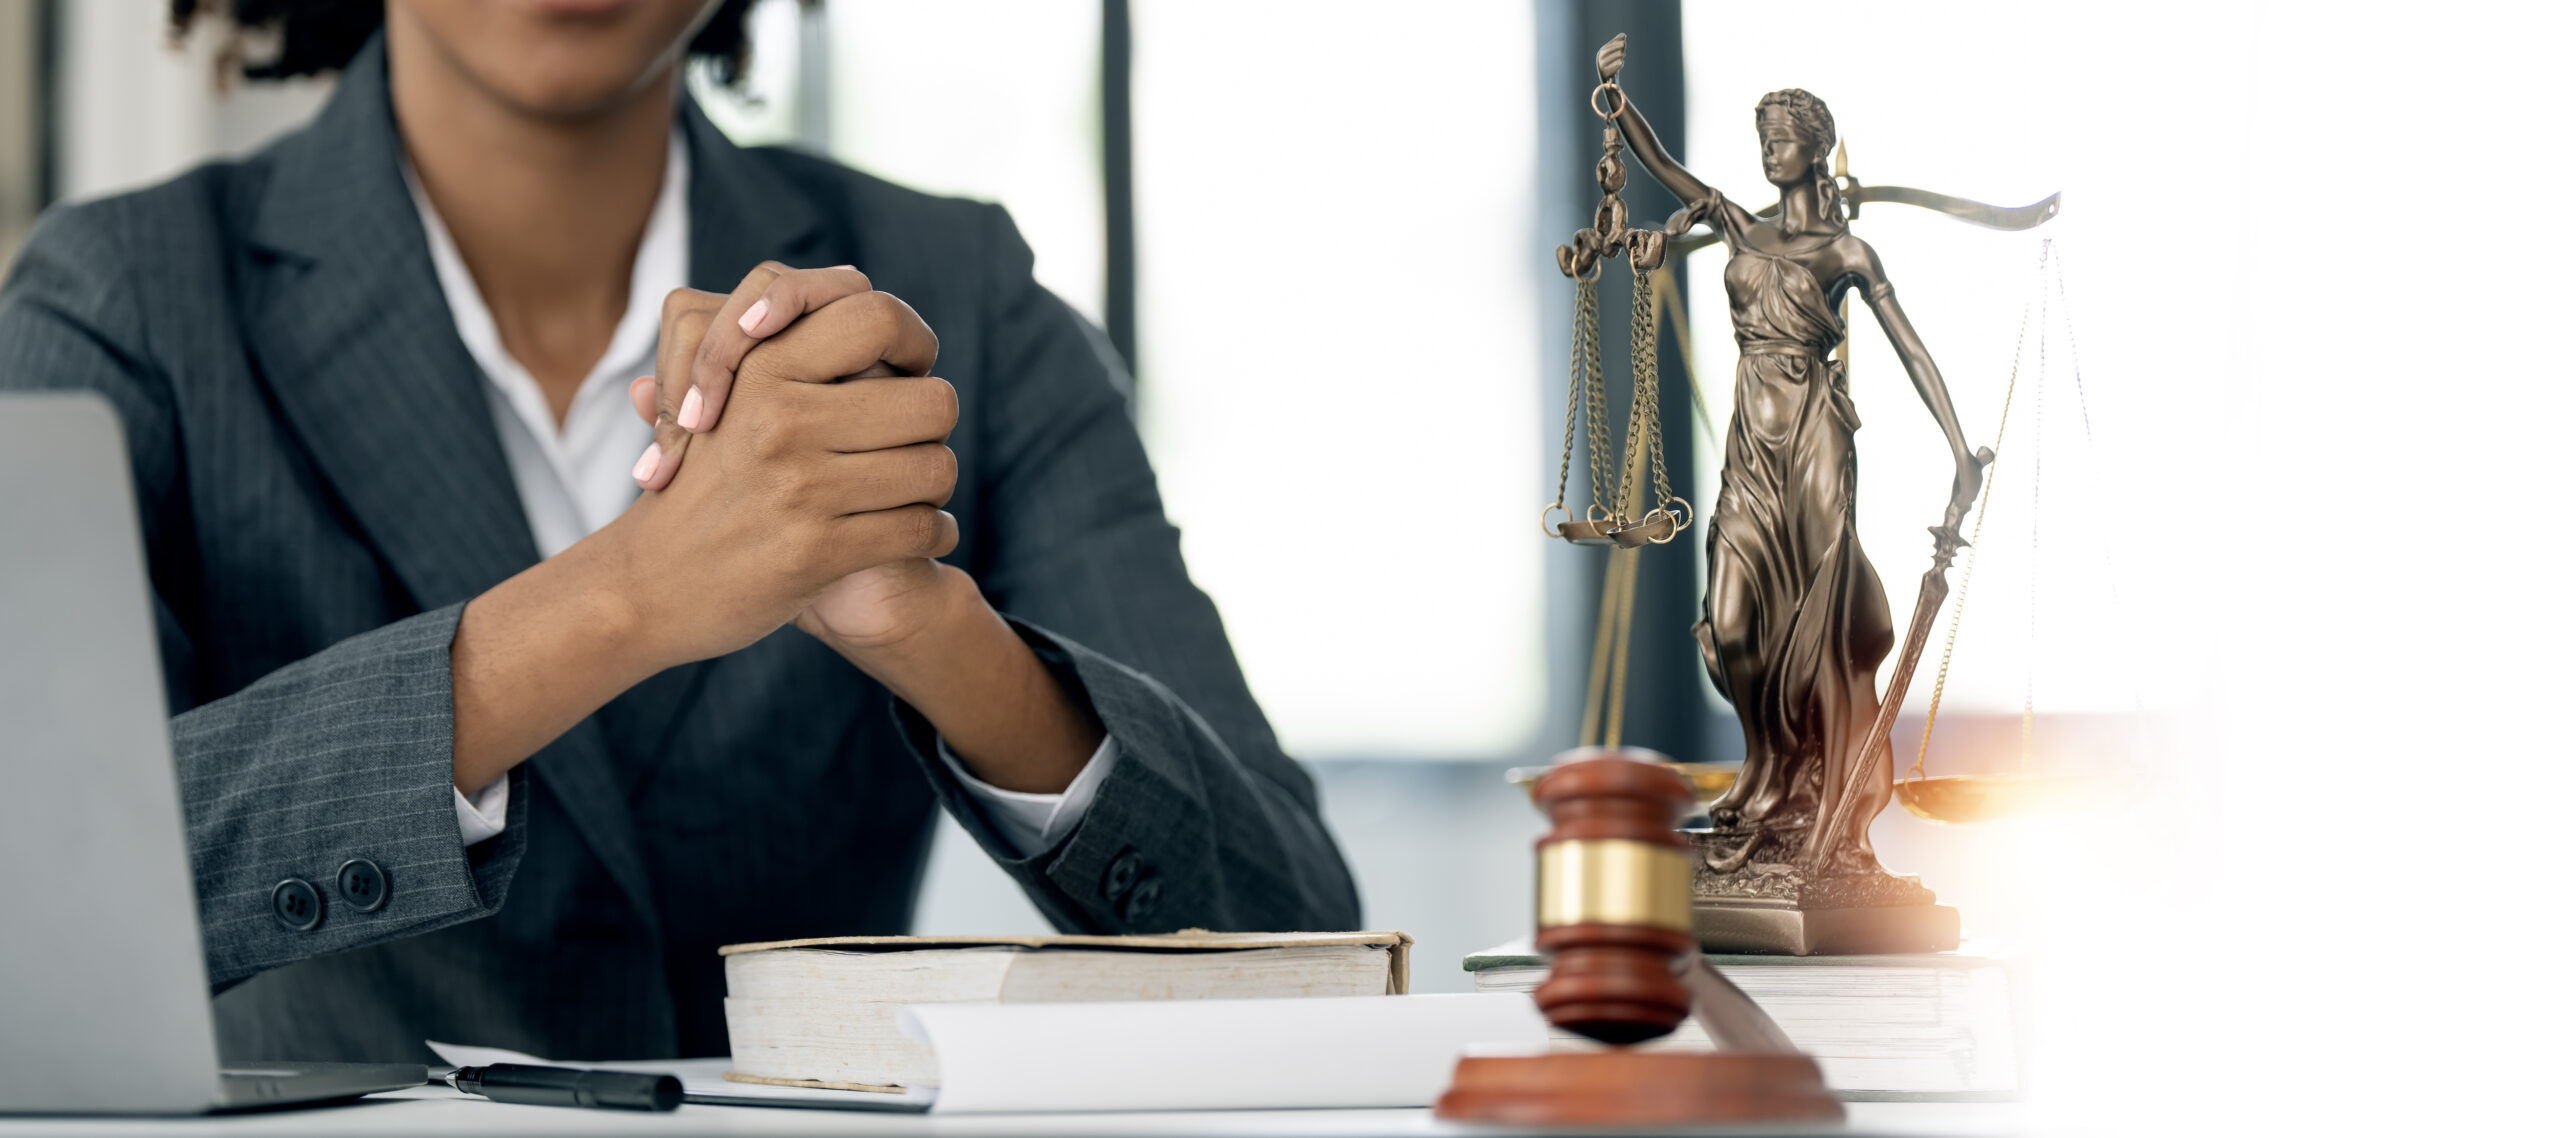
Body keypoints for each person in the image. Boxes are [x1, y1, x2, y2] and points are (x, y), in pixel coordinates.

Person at [0, 0, 1358, 1062]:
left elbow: (1302, 947)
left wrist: (940, 636)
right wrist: (626, 596)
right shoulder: (127, 299)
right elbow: (29, 893)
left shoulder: (957, 298)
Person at [1594, 55, 1988, 874]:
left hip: (1814, 439)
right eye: (1762, 139)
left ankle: (1815, 799)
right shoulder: (1744, 227)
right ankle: (1769, 773)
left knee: (1817, 626)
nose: (1768, 153)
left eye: (1780, 140)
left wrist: (1959, 449)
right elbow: (1669, 172)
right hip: (1751, 445)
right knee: (1733, 621)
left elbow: (1911, 350)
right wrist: (1620, 108)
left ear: (1815, 147)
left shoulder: (1848, 253)